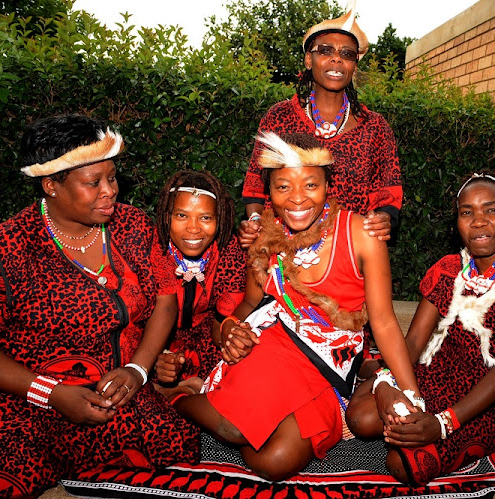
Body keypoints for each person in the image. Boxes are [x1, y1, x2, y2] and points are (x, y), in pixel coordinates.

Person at [160, 132, 422, 481]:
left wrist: (412, 394)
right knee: (234, 430)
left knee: (273, 462)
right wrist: (228, 329)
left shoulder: (361, 233)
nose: (297, 199)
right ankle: (175, 395)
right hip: (275, 342)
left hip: (333, 361)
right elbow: (251, 303)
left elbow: (385, 323)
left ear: (329, 185)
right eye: (283, 187)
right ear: (268, 193)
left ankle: (231, 400)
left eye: (310, 184)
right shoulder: (265, 235)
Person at [0, 115, 198, 498]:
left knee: (172, 440)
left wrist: (137, 370)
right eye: (92, 183)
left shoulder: (134, 227)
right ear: (50, 185)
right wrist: (51, 393)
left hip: (114, 389)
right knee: (5, 470)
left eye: (112, 177)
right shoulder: (2, 249)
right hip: (26, 395)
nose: (110, 192)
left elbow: (165, 301)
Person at [346, 171, 495, 485]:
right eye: (467, 213)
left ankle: (370, 372)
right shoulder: (448, 269)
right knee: (361, 419)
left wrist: (443, 424)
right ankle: (374, 373)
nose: (478, 221)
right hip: (438, 374)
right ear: (458, 223)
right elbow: (412, 345)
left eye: (491, 210)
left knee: (406, 464)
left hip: (494, 396)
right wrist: (387, 384)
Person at [239, 0, 402, 248]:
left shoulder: (375, 128)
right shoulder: (279, 117)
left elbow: (388, 195)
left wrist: (384, 218)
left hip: (348, 252)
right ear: (308, 59)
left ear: (354, 66)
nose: (336, 59)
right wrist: (254, 221)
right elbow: (255, 187)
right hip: (283, 251)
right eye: (325, 50)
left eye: (347, 54)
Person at [152, 171, 246, 385]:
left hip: (205, 336)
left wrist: (231, 341)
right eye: (181, 215)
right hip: (151, 340)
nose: (193, 228)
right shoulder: (150, 251)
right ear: (166, 216)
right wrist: (159, 357)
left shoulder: (230, 254)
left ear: (219, 219)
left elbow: (221, 323)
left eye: (205, 217)